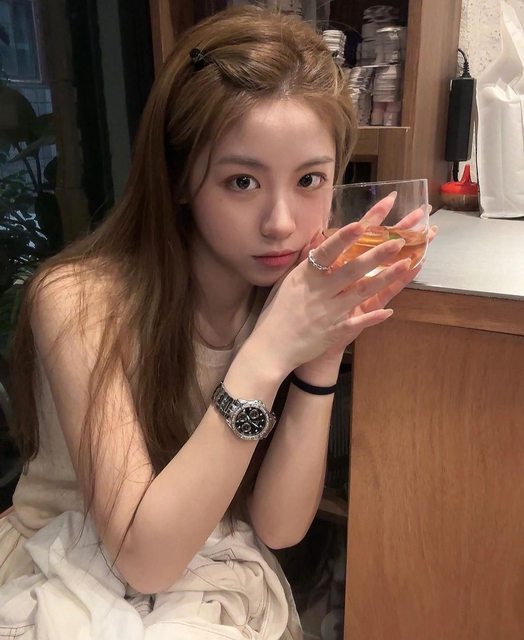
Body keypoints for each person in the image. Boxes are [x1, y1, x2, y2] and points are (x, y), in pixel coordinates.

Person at [0, 5, 432, 638]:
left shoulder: (284, 295)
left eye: (310, 179)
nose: (280, 223)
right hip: (61, 565)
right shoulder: (79, 300)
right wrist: (266, 355)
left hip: (201, 560)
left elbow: (280, 526)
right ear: (181, 179)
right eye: (242, 182)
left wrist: (321, 354)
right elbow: (145, 560)